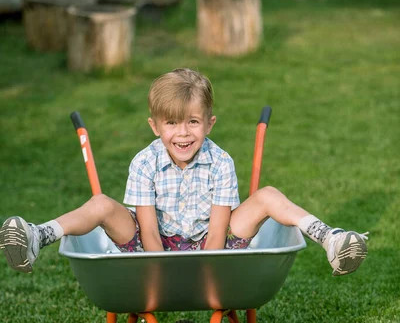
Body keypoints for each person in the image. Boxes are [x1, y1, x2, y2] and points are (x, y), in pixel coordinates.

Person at [0, 68, 368, 276]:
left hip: (215, 242)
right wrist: (159, 271)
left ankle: (331, 239)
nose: (183, 132)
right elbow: (147, 229)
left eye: (193, 122)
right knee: (99, 203)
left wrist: (206, 270)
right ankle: (37, 236)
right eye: (171, 123)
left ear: (209, 124)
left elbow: (220, 227)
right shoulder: (144, 163)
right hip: (151, 244)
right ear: (154, 126)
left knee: (268, 194)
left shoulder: (220, 161)